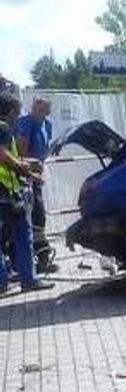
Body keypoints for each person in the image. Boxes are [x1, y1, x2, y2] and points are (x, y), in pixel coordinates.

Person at [0, 94, 52, 293]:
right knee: (23, 235)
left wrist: (28, 169)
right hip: (8, 193)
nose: (19, 116)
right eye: (17, 111)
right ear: (10, 111)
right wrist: (26, 169)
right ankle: (28, 279)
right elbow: (4, 156)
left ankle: (2, 282)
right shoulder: (3, 128)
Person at [15, 97, 55, 273]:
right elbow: (21, 152)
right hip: (23, 175)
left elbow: (44, 150)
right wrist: (31, 173)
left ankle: (41, 257)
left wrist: (39, 169)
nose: (39, 113)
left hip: (36, 175)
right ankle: (32, 260)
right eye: (37, 109)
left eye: (44, 110)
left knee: (38, 216)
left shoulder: (47, 124)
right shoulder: (25, 123)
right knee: (33, 215)